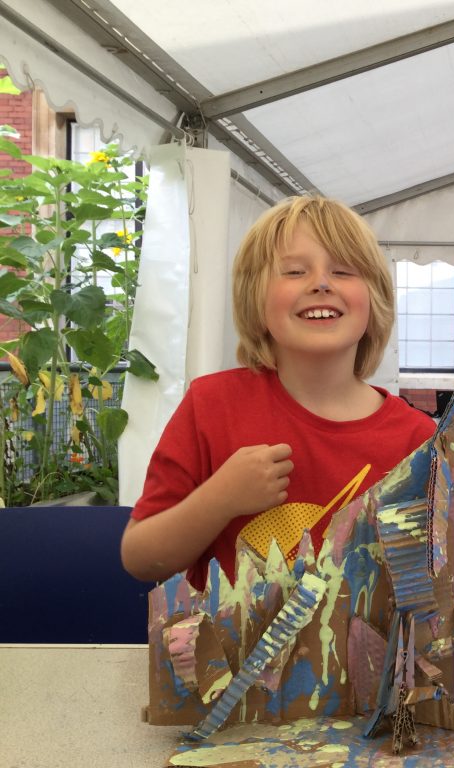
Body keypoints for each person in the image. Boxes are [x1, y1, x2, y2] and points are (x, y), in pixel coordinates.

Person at [121, 196, 436, 588]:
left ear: (375, 298)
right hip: (231, 651)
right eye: (294, 271)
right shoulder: (211, 406)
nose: (321, 283)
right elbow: (140, 558)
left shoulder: (419, 440)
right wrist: (219, 499)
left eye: (342, 270)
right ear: (256, 297)